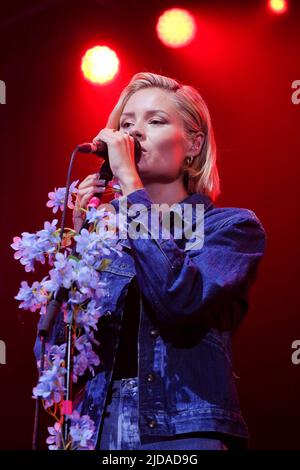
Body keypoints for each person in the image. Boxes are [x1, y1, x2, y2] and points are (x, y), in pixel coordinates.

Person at [47, 72, 267, 450]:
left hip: (180, 432)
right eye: (127, 123)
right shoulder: (105, 235)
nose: (134, 134)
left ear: (194, 144)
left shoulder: (230, 227)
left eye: (156, 121)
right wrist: (81, 246)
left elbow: (179, 299)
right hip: (98, 429)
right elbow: (53, 352)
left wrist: (131, 189)